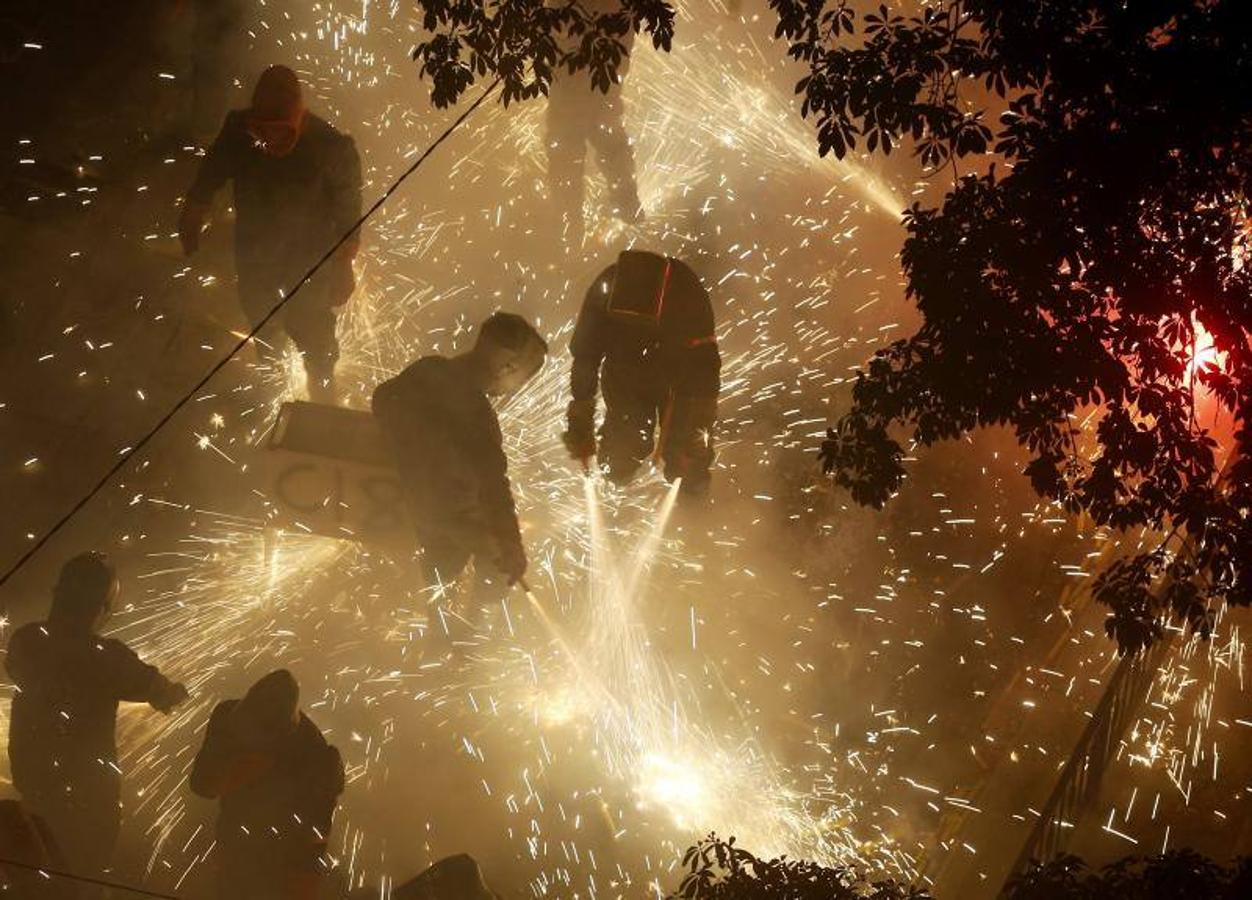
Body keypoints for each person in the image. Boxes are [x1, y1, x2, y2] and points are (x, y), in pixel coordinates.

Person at [178, 64, 363, 403]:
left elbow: (348, 213)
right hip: (254, 249)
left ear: (297, 119)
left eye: (279, 132)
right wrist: (193, 210)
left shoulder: (332, 149)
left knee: (312, 326)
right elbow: (213, 170)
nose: (267, 142)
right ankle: (274, 377)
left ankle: (322, 386)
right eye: (260, 131)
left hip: (309, 256)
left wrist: (343, 265)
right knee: (261, 316)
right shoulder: (238, 130)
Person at [4, 552, 189, 881]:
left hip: (35, 793)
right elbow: (157, 689)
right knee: (80, 883)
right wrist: (175, 691)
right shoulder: (108, 658)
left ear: (58, 593)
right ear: (99, 607)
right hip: (89, 805)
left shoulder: (26, 641)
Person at [372, 313, 548, 606]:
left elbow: (382, 397)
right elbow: (494, 487)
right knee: (498, 563)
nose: (515, 388)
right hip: (443, 518)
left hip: (403, 495)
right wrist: (511, 544)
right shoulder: (477, 415)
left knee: (438, 584)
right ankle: (471, 630)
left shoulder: (428, 368)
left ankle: (439, 618)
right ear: (508, 367)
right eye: (522, 378)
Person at [562, 249, 720, 498]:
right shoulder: (607, 287)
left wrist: (698, 426)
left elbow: (705, 370)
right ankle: (616, 497)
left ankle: (693, 511)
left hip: (676, 381)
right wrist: (580, 416)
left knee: (686, 461)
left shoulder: (685, 292)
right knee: (620, 454)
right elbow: (586, 356)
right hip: (624, 376)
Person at [190, 669, 343, 900]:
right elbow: (201, 785)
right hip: (233, 842)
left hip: (282, 858)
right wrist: (238, 771)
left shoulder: (315, 756)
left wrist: (301, 887)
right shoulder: (226, 717)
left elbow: (314, 838)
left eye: (255, 742)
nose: (246, 743)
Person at [545, 0, 642, 248]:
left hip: (581, 85)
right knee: (604, 139)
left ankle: (571, 230)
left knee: (575, 147)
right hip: (587, 84)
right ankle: (624, 214)